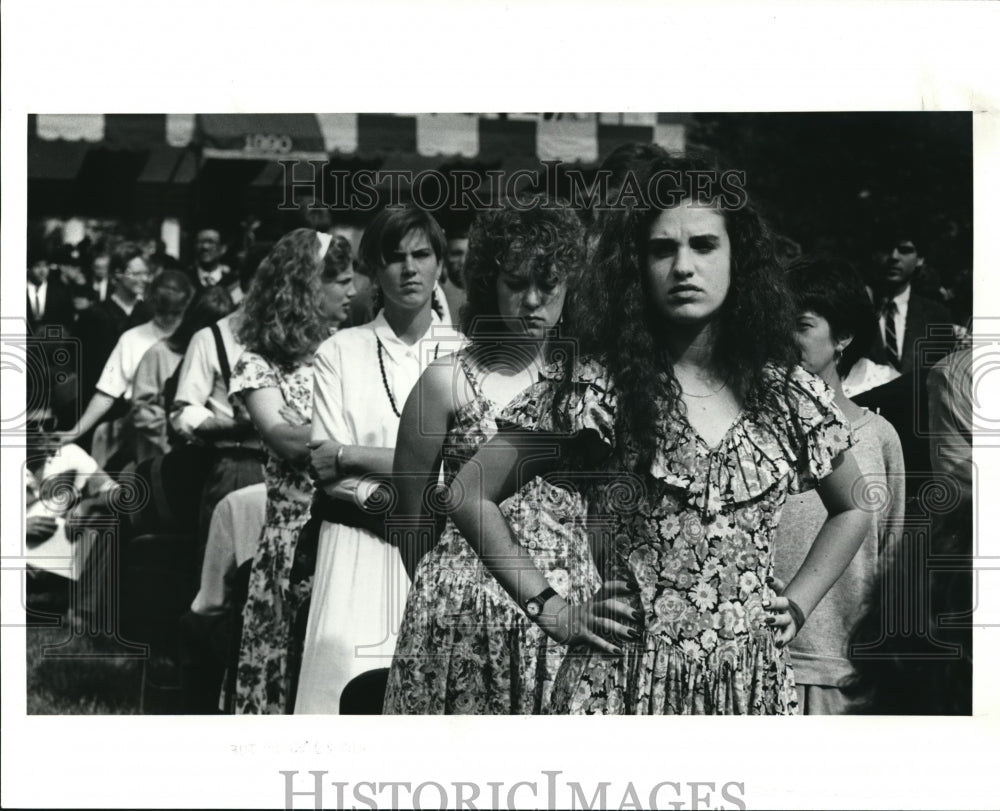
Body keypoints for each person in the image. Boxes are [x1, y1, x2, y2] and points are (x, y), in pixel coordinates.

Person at [449, 155, 871, 715]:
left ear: (736, 257)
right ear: (636, 265)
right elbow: (466, 492)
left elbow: (856, 506)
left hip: (748, 691)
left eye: (703, 245)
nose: (683, 266)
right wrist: (551, 609)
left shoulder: (786, 393)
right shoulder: (597, 389)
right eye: (661, 249)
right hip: (621, 684)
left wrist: (796, 605)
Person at [384, 201, 601, 715]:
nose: (531, 300)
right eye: (515, 282)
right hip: (459, 617)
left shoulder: (591, 382)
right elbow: (408, 513)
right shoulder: (446, 380)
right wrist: (446, 585)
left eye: (547, 284)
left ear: (571, 286)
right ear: (488, 283)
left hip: (569, 612)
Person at [294, 205, 459, 714]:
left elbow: (465, 472)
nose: (409, 269)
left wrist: (354, 455)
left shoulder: (467, 355)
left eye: (421, 254)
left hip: (440, 549)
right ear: (373, 269)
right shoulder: (340, 351)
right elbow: (325, 473)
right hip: (356, 544)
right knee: (341, 696)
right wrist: (386, 483)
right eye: (393, 257)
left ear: (439, 264)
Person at [228, 230, 356, 714]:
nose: (352, 291)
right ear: (305, 287)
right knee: (285, 661)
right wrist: (361, 438)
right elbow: (282, 437)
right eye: (340, 281)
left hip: (346, 530)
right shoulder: (260, 362)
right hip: (292, 539)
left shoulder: (349, 349)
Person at [774, 256, 906, 714]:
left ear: (843, 337)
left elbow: (890, 554)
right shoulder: (750, 431)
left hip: (844, 672)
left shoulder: (878, 438)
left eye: (803, 325)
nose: (786, 338)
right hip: (763, 661)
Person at [170, 244, 271, 540]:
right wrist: (231, 426)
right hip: (239, 464)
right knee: (227, 570)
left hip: (295, 468)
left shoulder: (302, 336)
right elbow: (183, 410)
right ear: (248, 284)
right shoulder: (211, 338)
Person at [58, 270, 194, 470]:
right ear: (152, 303)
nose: (167, 319)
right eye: (162, 312)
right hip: (143, 432)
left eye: (175, 313)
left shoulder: (195, 339)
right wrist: (76, 431)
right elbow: (107, 391)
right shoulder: (132, 338)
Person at [130, 286, 235, 464]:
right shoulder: (159, 353)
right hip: (166, 452)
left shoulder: (227, 357)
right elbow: (142, 410)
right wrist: (174, 433)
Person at [867, 229, 954, 376]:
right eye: (887, 249)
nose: (894, 257)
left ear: (920, 259)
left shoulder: (937, 316)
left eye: (904, 250)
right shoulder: (857, 309)